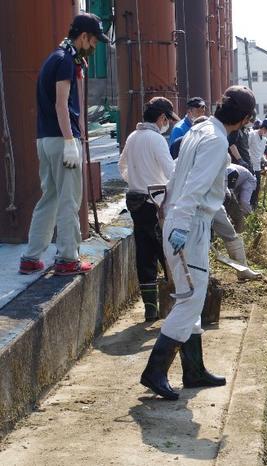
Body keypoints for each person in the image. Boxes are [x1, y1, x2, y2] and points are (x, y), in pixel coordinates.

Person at [139, 86, 256, 401]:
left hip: (178, 220)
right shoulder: (217, 141)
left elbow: (177, 176)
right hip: (190, 225)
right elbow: (195, 186)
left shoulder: (198, 128)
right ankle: (155, 370)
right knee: (191, 299)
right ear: (245, 119)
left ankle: (193, 370)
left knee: (187, 295)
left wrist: (169, 214)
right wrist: (181, 222)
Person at [19, 13, 109, 276]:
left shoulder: (54, 58)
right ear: (84, 37)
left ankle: (31, 257)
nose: (94, 47)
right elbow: (61, 104)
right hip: (61, 141)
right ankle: (68, 258)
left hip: (45, 139)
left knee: (50, 198)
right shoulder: (65, 62)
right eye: (94, 42)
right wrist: (71, 140)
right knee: (70, 200)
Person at [118, 97, 179, 321]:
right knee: (167, 252)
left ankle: (150, 308)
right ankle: (174, 301)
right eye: (167, 120)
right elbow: (171, 172)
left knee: (144, 254)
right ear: (162, 118)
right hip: (156, 202)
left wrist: (135, 180)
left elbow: (121, 165)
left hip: (135, 200)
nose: (167, 124)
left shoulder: (133, 137)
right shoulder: (156, 140)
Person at [248, 117, 267, 209]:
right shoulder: (251, 134)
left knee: (257, 187)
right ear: (263, 128)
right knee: (250, 187)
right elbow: (246, 149)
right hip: (249, 165)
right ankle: (247, 206)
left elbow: (261, 153)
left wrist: (265, 160)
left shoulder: (264, 140)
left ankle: (254, 206)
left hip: (257, 166)